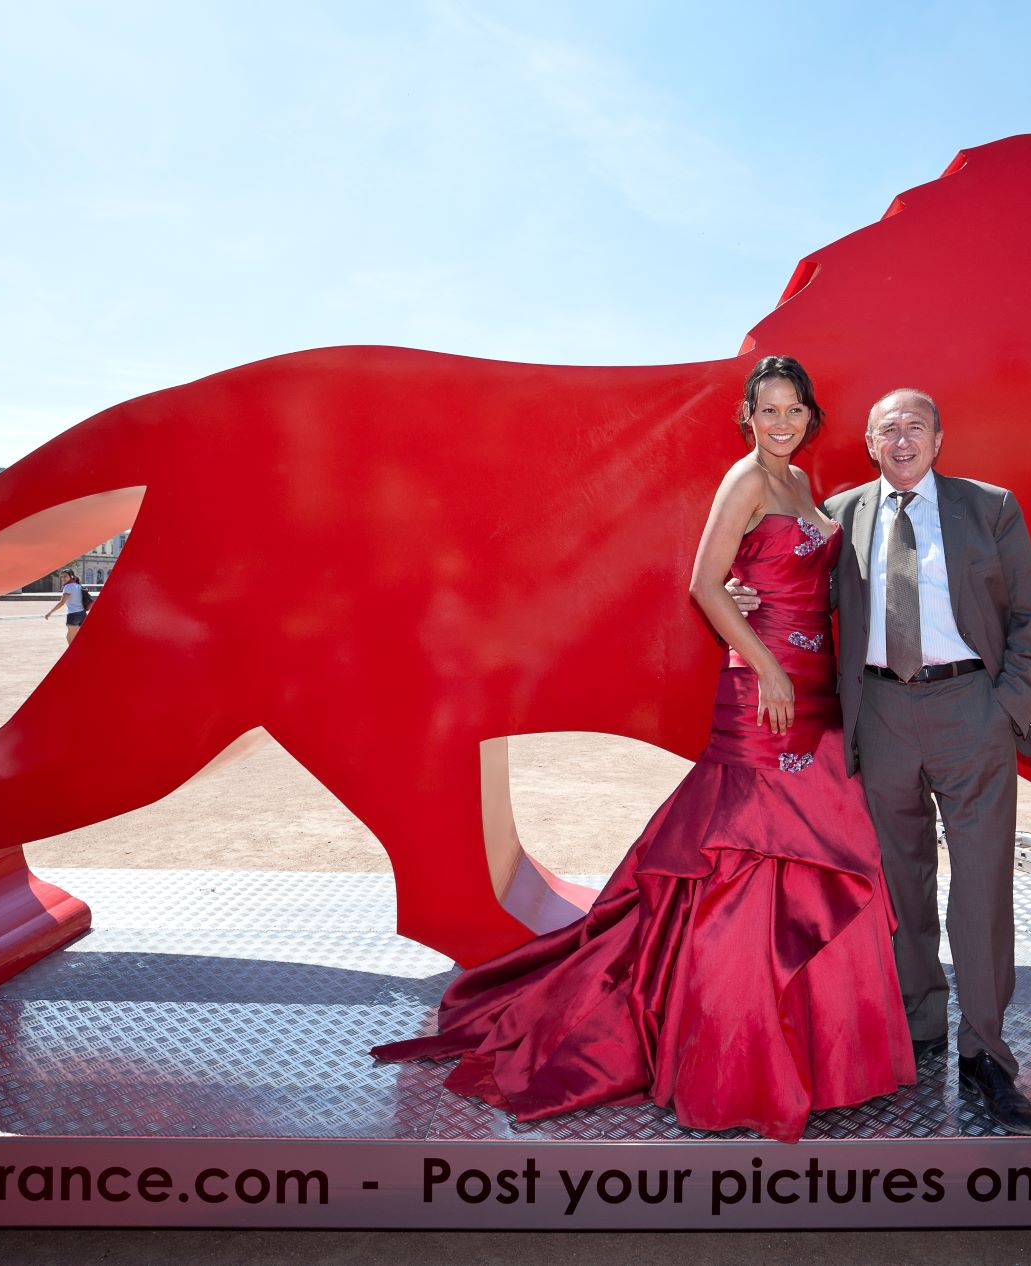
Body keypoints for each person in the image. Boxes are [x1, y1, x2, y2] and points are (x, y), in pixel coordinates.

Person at [373, 356, 914, 1142]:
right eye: (767, 409)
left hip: (818, 691)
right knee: (742, 862)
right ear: (747, 416)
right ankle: (733, 1056)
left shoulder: (805, 486)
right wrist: (763, 662)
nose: (781, 421)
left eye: (794, 407)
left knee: (814, 860)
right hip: (765, 689)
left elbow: (802, 581)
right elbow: (703, 583)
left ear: (810, 414)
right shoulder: (747, 481)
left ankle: (816, 1052)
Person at [818, 388, 1031, 1136]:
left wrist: (1005, 707)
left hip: (969, 710)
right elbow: (795, 595)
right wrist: (744, 598)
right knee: (900, 883)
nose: (901, 438)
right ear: (868, 442)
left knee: (981, 885)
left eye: (915, 425)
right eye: (887, 428)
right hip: (882, 713)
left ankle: (985, 1052)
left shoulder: (990, 507)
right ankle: (919, 1026)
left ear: (939, 437)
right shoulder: (839, 514)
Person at [42, 570, 89, 644]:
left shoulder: (68, 586)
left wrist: (50, 612)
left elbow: (62, 603)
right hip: (83, 614)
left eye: (65, 576)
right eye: (62, 577)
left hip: (73, 615)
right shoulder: (78, 585)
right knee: (77, 637)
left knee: (70, 638)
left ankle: (74, 654)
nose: (63, 578)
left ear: (71, 576)